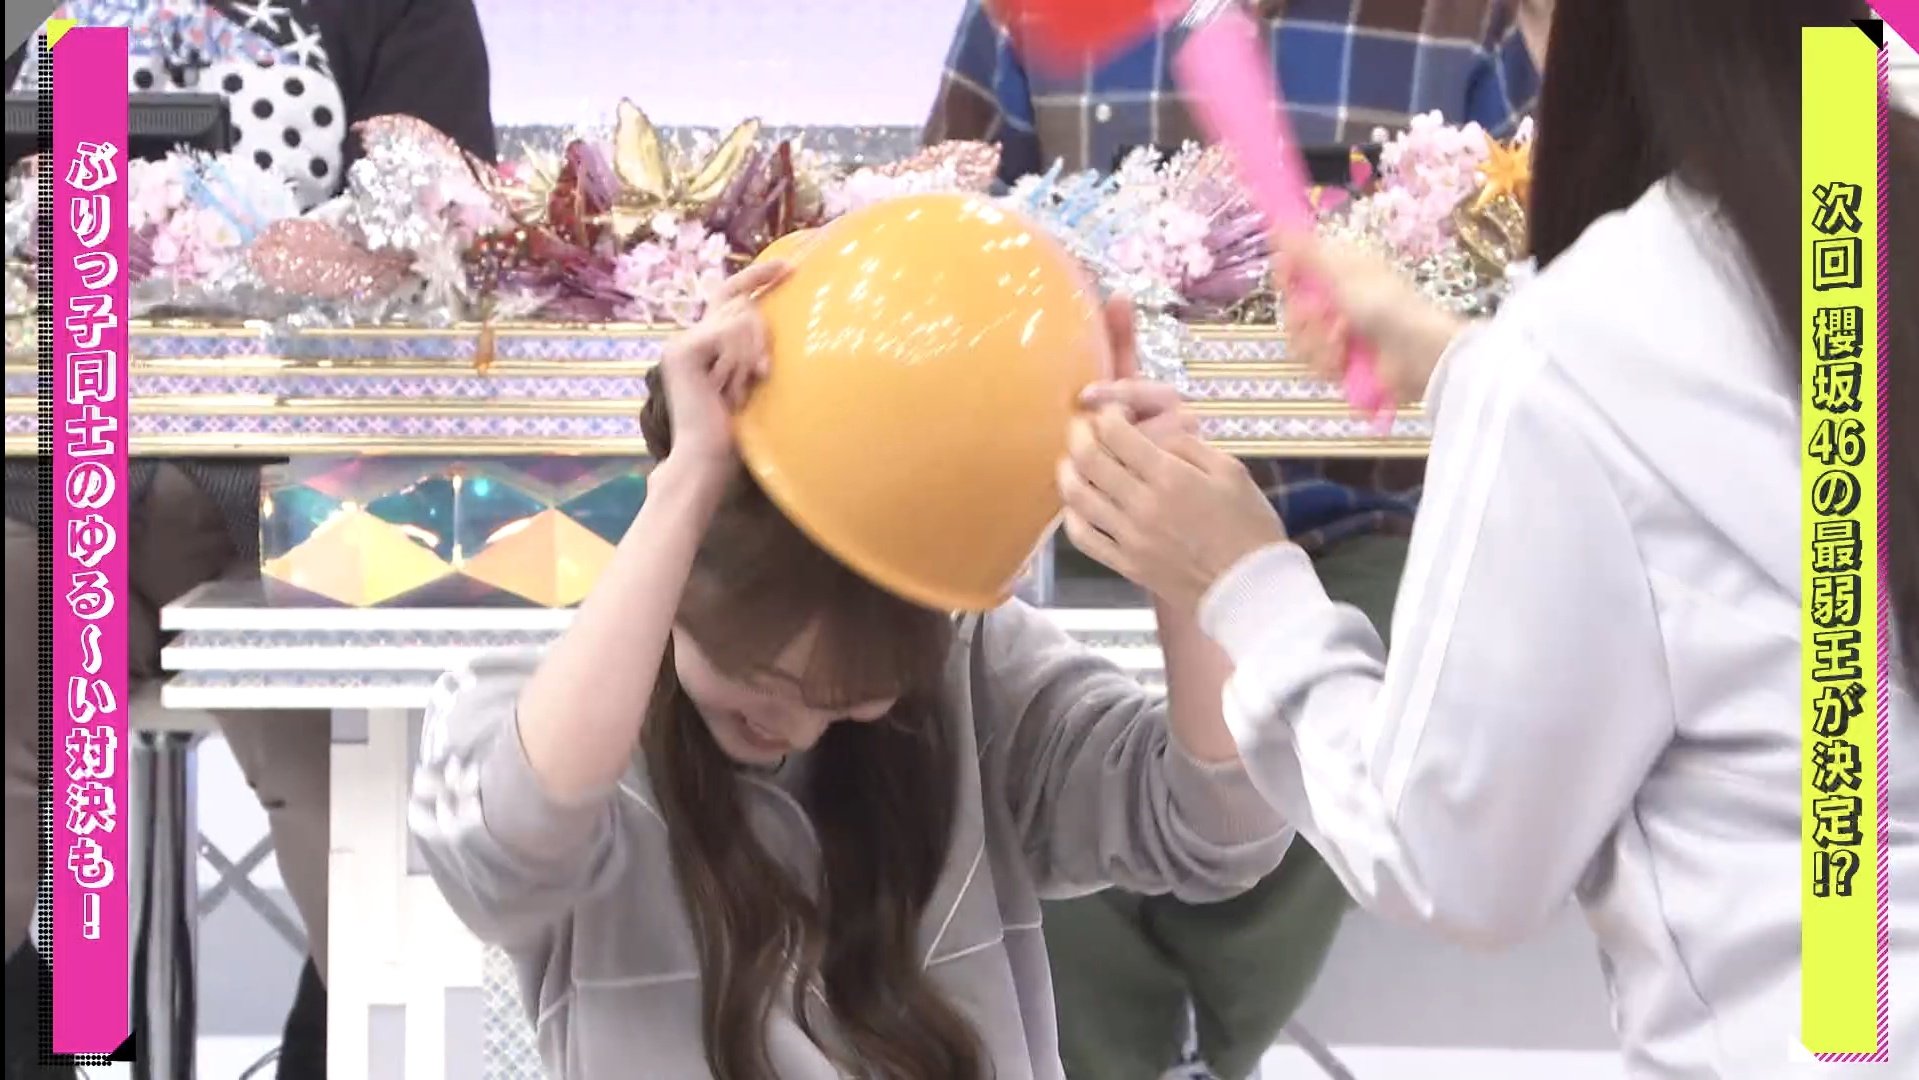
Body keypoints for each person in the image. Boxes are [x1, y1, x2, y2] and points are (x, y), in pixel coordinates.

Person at [1056, 0, 1917, 1076]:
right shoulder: (1845, 190)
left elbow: (1446, 855)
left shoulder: (1595, 334)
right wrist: (1462, 364)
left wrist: (1242, 581)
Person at [406, 260, 1295, 1079]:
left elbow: (1220, 834)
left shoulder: (975, 670)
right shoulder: (537, 710)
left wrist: (1183, 554)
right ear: (685, 575)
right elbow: (506, 851)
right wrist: (690, 476)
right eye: (760, 681)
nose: (793, 730)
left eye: (851, 701)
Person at [923, 1, 1544, 1076]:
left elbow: (1545, 267)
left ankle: (1208, 1039)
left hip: (1351, 522)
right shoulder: (1023, 19)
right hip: (1086, 517)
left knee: (1370, 683)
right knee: (1000, 708)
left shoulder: (1465, 21)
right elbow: (939, 241)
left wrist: (1412, 334)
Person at [2, 3, 496, 1077]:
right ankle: (56, 1032)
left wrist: (252, 263)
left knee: (353, 748)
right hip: (39, 469)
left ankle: (363, 1042)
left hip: (297, 474)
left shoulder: (400, 16)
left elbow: (445, 234)